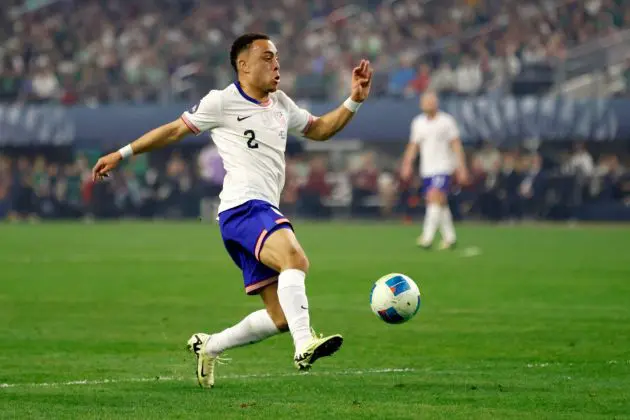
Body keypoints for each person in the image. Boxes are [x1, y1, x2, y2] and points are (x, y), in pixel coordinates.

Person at [91, 33, 373, 388]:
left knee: (281, 316)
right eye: (267, 58)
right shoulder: (222, 102)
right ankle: (304, 345)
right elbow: (175, 130)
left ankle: (209, 346)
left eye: (278, 58)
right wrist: (122, 154)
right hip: (243, 207)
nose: (277, 65)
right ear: (243, 65)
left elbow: (319, 130)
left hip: (257, 211)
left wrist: (354, 100)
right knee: (295, 260)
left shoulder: (281, 103)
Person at [400, 92, 469, 249]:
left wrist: (461, 167)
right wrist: (407, 164)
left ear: (436, 103)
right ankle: (450, 238)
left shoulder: (446, 121)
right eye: (425, 101)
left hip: (444, 166)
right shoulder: (418, 123)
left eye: (431, 101)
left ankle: (427, 237)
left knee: (433, 197)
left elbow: (456, 145)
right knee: (440, 203)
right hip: (427, 169)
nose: (428, 104)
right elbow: (413, 146)